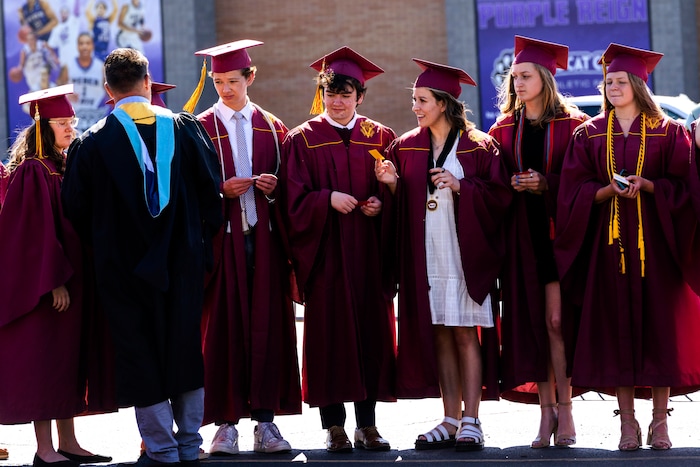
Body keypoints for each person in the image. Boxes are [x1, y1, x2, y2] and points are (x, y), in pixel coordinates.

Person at [61, 48, 223, 465]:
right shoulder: (185, 129)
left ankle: (162, 449)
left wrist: (108, 246)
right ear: (148, 82)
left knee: (139, 353)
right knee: (184, 346)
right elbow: (213, 197)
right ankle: (189, 444)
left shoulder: (92, 143)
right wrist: (195, 247)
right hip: (182, 263)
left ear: (108, 90)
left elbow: (75, 209)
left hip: (123, 270)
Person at [556, 43, 700, 451]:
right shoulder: (588, 133)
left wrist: (650, 185)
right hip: (610, 250)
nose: (613, 87)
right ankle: (627, 422)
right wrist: (605, 191)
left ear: (638, 84)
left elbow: (688, 189)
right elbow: (571, 192)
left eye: (620, 81)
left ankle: (660, 421)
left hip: (657, 248)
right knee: (616, 329)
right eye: (608, 82)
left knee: (660, 332)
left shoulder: (668, 132)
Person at [375, 59, 510, 452]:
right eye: (414, 99)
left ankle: (472, 419)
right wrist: (392, 185)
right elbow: (404, 205)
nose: (415, 107)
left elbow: (500, 197)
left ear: (444, 103)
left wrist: (462, 185)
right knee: (439, 333)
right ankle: (450, 418)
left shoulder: (479, 145)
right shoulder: (406, 146)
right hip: (426, 255)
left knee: (465, 333)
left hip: (462, 254)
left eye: (422, 100)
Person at [283, 46, 397, 453]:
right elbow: (291, 201)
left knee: (369, 334)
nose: (337, 101)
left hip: (367, 255)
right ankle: (333, 426)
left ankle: (368, 425)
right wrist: (326, 199)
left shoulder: (381, 137)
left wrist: (381, 202)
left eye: (346, 94)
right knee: (329, 338)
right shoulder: (302, 139)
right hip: (326, 256)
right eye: (331, 93)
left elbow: (396, 192)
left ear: (360, 97)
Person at [191, 39, 301, 455]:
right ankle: (225, 425)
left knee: (268, 330)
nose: (225, 89)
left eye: (233, 81)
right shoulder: (198, 128)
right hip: (222, 243)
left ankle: (266, 423)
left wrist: (273, 190)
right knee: (224, 331)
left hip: (265, 240)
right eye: (218, 81)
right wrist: (220, 191)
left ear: (250, 77)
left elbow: (292, 189)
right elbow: (187, 188)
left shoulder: (273, 127)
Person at [0, 84, 111, 467]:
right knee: (44, 364)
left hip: (74, 282)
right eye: (61, 122)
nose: (70, 128)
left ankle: (69, 441)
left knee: (66, 363)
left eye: (72, 121)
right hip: (48, 288)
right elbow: (34, 234)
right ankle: (44, 448)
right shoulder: (33, 171)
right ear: (42, 128)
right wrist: (54, 281)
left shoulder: (61, 166)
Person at [488, 36, 588, 448]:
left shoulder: (574, 125)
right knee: (534, 325)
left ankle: (567, 410)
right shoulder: (501, 129)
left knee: (556, 323)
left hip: (560, 236)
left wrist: (548, 183)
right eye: (514, 77)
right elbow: (492, 183)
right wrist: (510, 184)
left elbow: (585, 181)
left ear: (545, 78)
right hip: (521, 238)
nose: (518, 83)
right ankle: (546, 413)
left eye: (526, 76)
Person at [57, 33, 108, 134]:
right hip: (74, 118)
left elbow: (109, 92)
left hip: (95, 116)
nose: (84, 47)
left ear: (92, 45)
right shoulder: (68, 66)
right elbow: (58, 89)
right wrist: (66, 95)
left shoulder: (101, 67)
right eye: (81, 43)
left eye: (88, 43)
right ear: (77, 46)